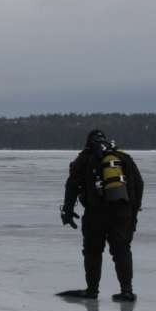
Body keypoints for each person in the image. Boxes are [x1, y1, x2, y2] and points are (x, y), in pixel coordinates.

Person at [59, 129, 143, 301]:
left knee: (92, 251)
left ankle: (92, 290)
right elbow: (139, 183)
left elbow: (72, 185)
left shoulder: (85, 158)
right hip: (123, 212)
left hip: (95, 212)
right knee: (121, 250)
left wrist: (68, 211)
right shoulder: (123, 157)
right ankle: (126, 291)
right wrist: (133, 212)